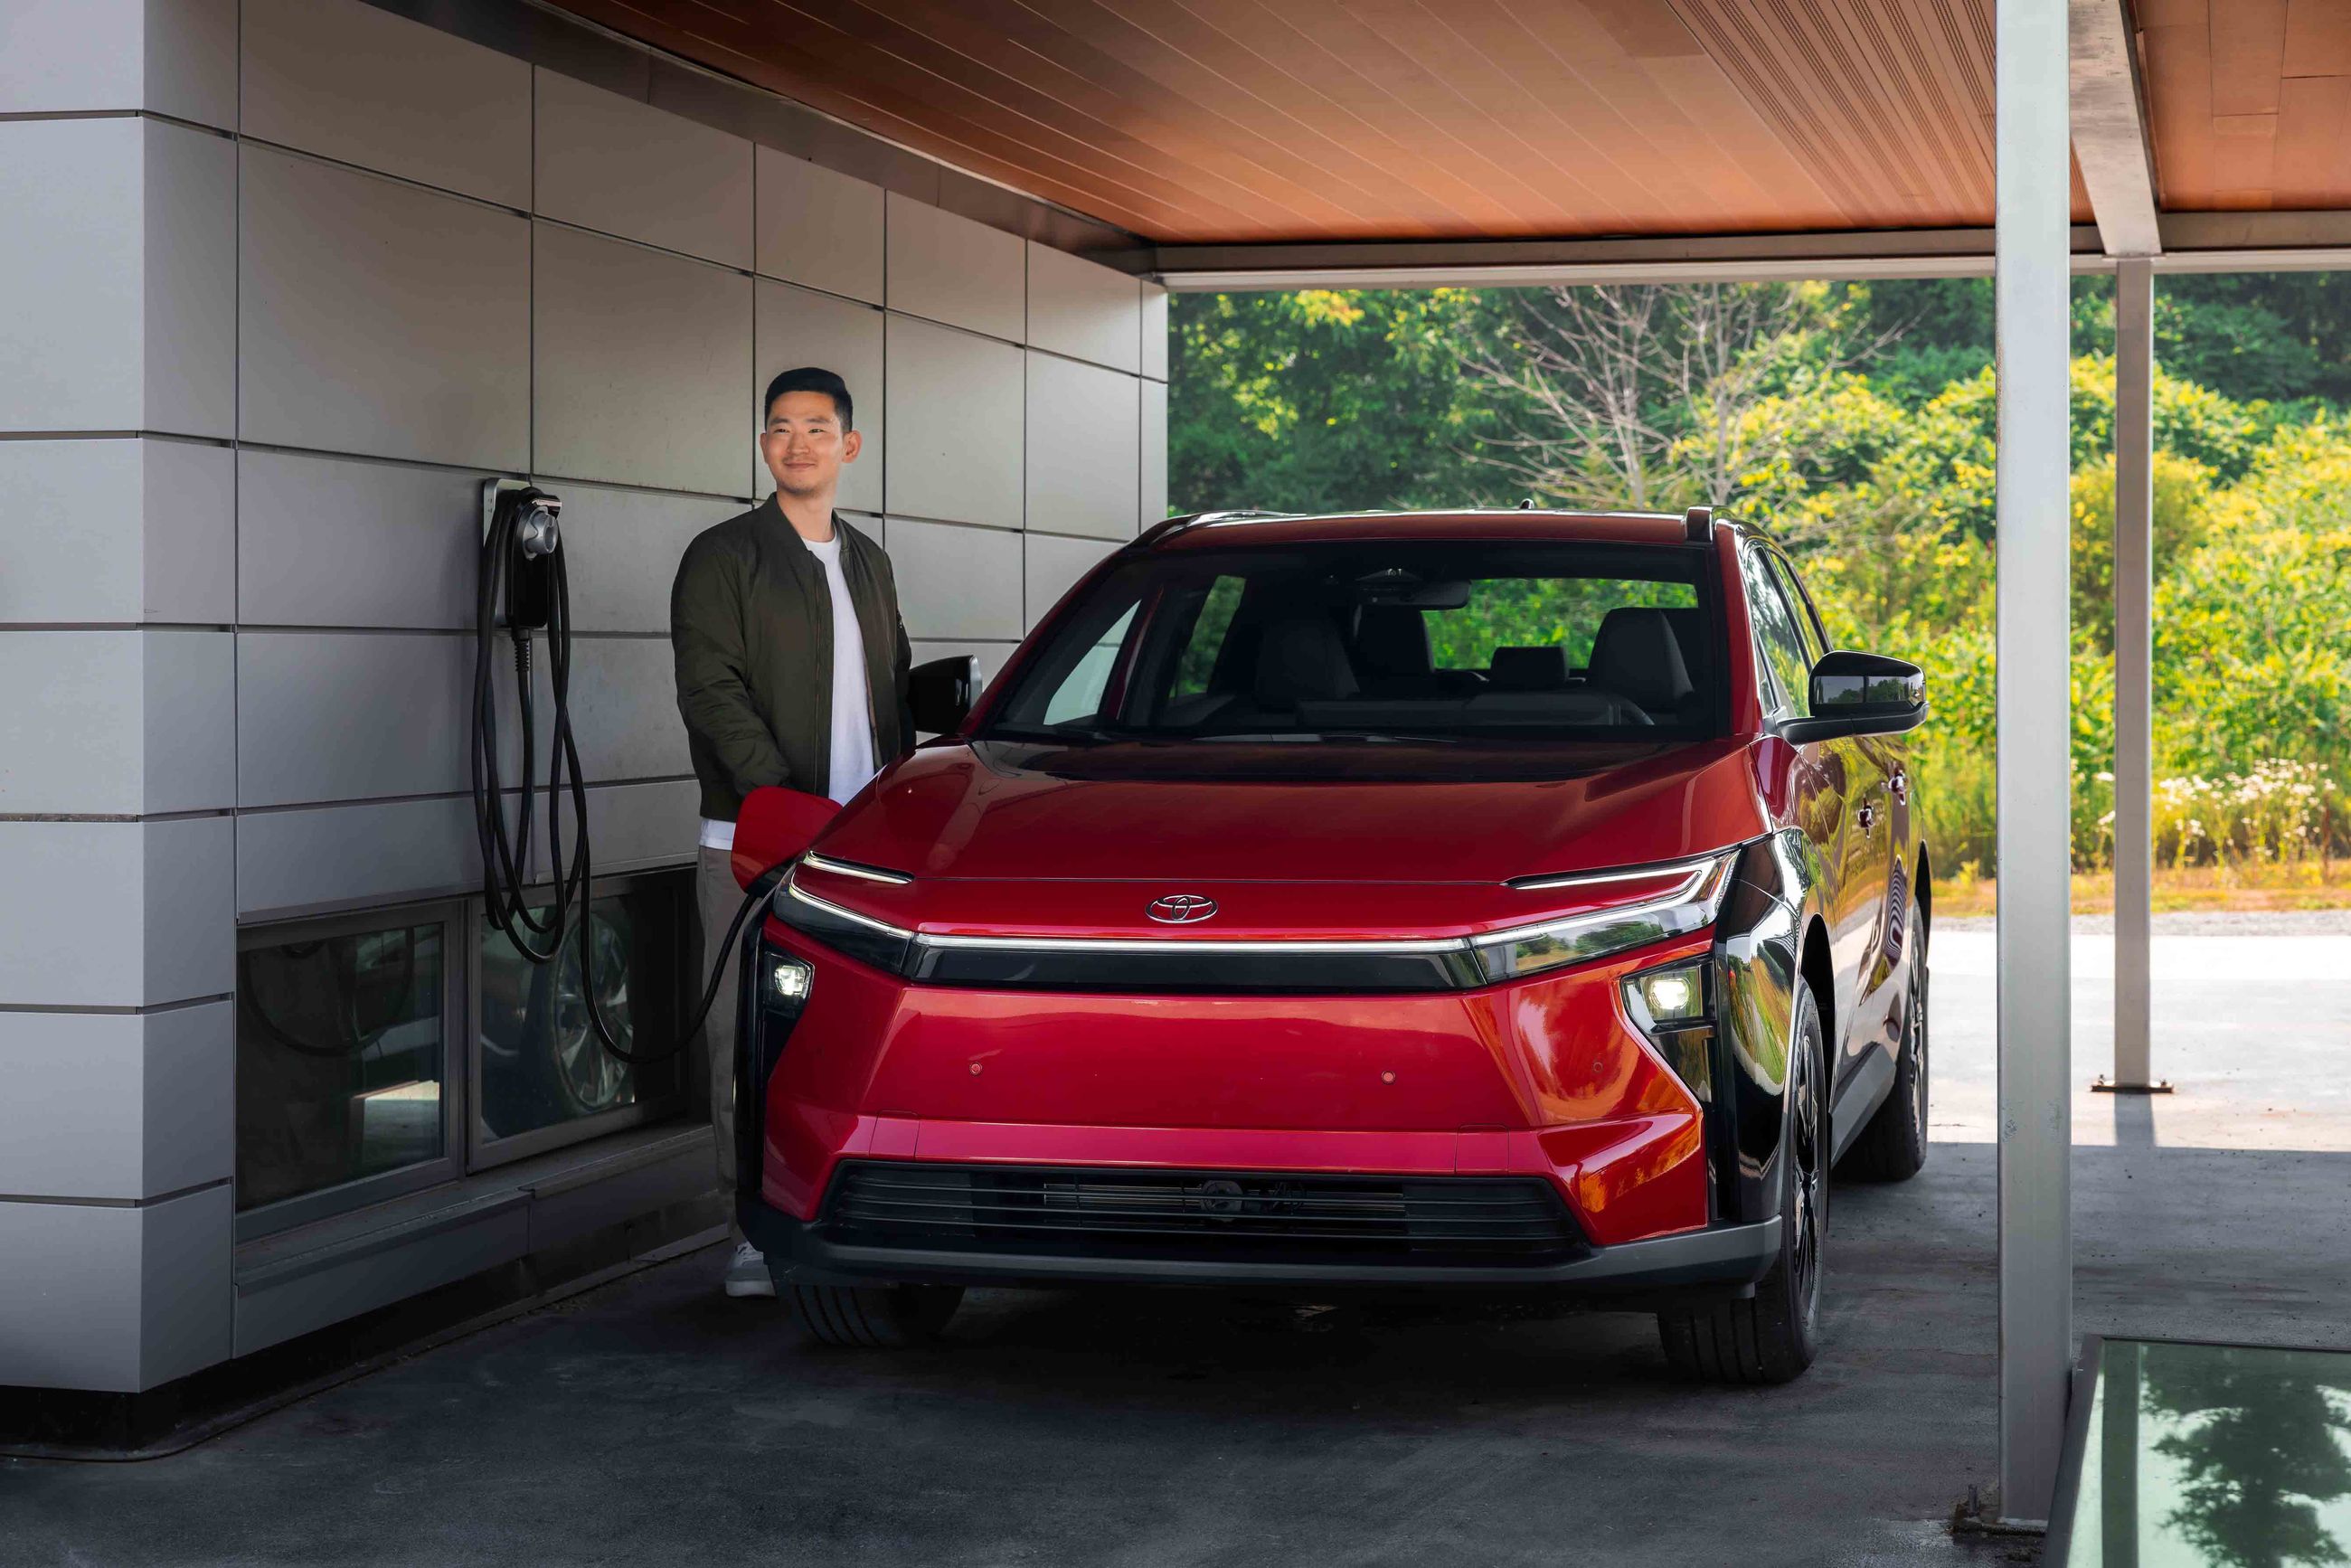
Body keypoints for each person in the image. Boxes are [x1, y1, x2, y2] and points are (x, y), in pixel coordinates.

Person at [671, 366, 913, 1298]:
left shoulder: (867, 561)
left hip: (862, 850)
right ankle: (749, 1231)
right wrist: (781, 800)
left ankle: (853, 1210)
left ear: (849, 446)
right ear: (763, 444)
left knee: (850, 1033)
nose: (797, 443)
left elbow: (890, 693)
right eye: (780, 428)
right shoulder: (722, 555)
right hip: (754, 840)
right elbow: (710, 689)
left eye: (817, 427)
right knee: (747, 1040)